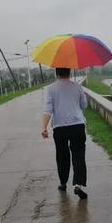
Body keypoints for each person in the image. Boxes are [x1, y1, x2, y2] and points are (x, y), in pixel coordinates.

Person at [41, 67, 88, 199]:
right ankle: (78, 183)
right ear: (69, 72)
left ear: (57, 73)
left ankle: (63, 183)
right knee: (78, 155)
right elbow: (84, 106)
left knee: (62, 156)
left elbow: (48, 109)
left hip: (59, 127)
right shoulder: (77, 87)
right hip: (77, 125)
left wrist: (44, 127)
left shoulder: (50, 89)